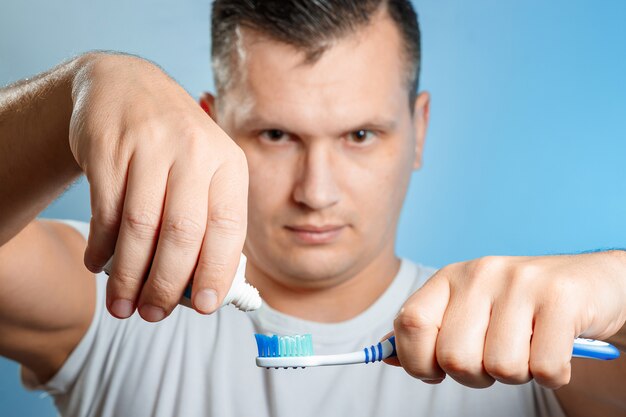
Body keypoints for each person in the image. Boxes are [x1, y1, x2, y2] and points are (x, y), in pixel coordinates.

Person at [0, 1, 624, 416]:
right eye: (276, 136)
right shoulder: (111, 290)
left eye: (359, 136)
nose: (315, 191)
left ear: (419, 131)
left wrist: (615, 285)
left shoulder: (533, 358)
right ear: (212, 128)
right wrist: (76, 95)